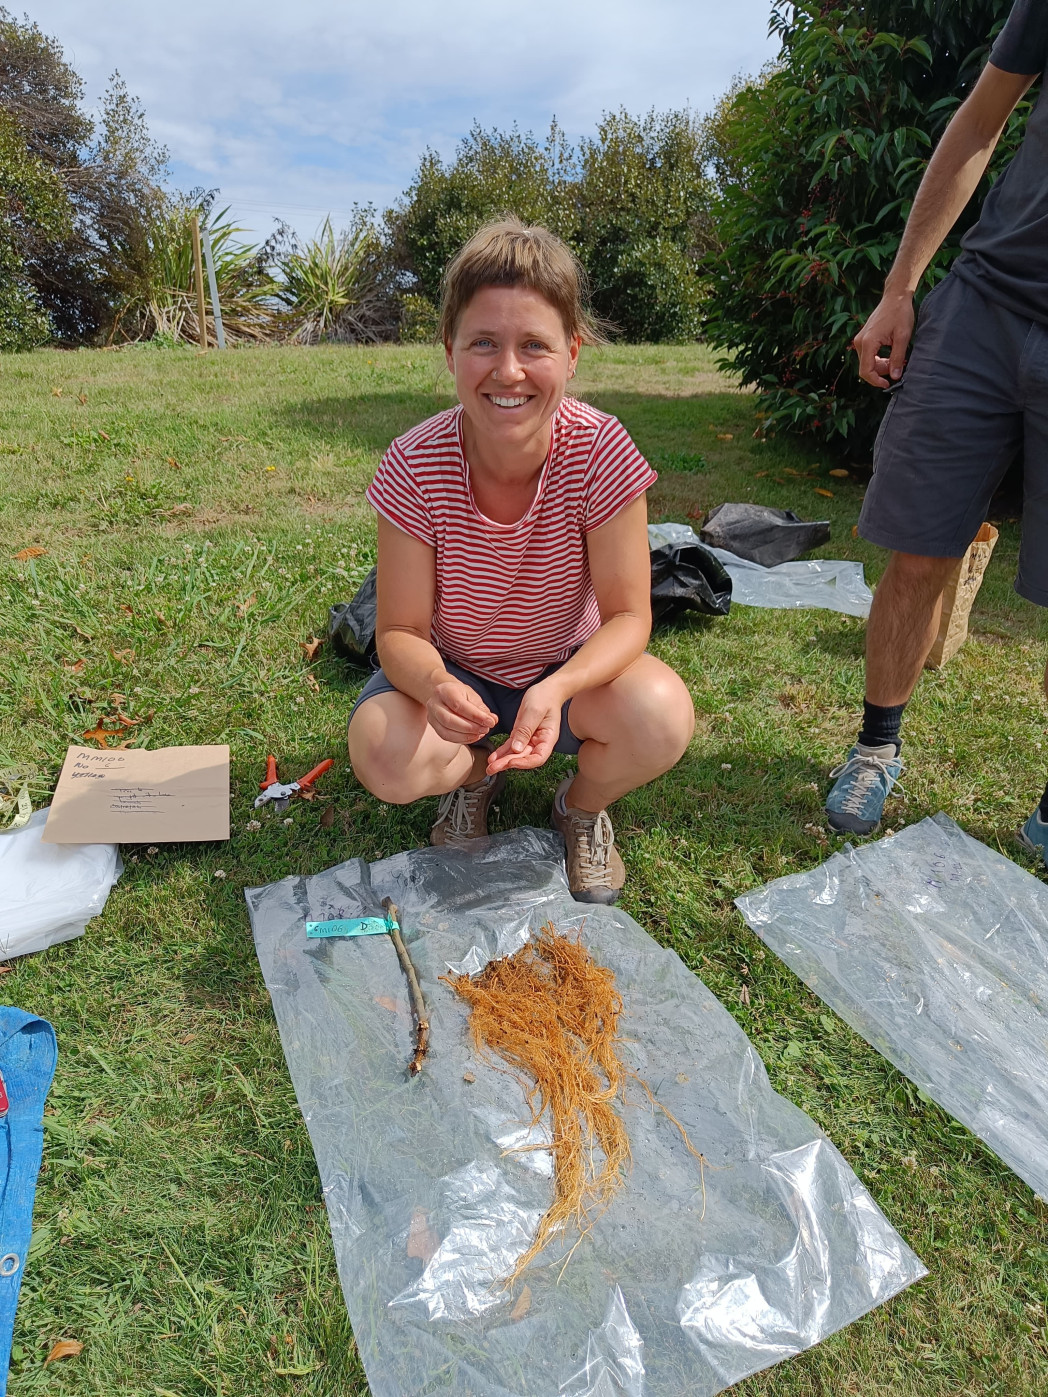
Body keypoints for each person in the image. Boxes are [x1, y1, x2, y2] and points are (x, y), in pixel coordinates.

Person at [347, 218, 695, 903]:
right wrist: (435, 687)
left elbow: (629, 617)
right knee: (383, 753)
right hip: (456, 668)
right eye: (483, 342)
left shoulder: (601, 450)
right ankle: (477, 774)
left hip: (568, 670)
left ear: (572, 353)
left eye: (534, 345)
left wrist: (556, 688)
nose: (508, 371)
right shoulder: (413, 463)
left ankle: (581, 807)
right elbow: (400, 632)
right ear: (449, 351)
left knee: (661, 715)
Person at [825, 0, 1048, 850]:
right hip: (984, 304)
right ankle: (875, 748)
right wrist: (900, 287)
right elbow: (980, 124)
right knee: (918, 548)